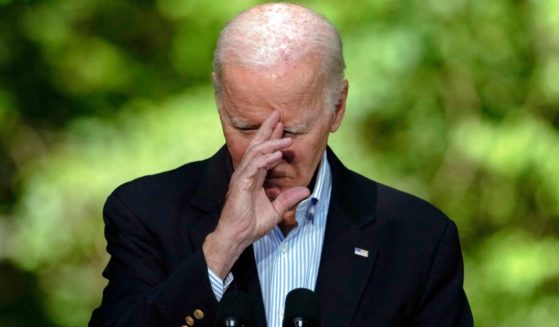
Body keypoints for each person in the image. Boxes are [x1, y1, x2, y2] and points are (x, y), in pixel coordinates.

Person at [90, 3, 473, 326]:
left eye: (291, 130)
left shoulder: (418, 239)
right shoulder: (145, 213)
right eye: (245, 127)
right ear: (220, 101)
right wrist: (220, 250)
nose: (268, 151)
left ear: (337, 107)